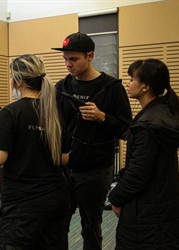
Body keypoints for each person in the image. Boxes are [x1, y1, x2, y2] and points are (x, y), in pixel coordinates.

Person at [52, 32, 133, 249]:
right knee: (57, 227)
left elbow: (127, 131)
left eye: (74, 59)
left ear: (90, 56)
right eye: (65, 59)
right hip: (64, 171)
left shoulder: (111, 87)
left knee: (91, 228)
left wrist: (102, 117)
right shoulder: (61, 88)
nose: (68, 64)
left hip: (95, 171)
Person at [108, 59, 179, 249]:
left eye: (132, 79)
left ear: (145, 87)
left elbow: (137, 175)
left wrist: (115, 198)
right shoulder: (163, 114)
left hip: (147, 216)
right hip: (161, 211)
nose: (128, 83)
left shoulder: (148, 125)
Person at [0, 54, 71, 250]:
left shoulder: (11, 113)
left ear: (19, 81)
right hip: (56, 200)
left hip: (22, 204)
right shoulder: (54, 113)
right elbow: (64, 159)